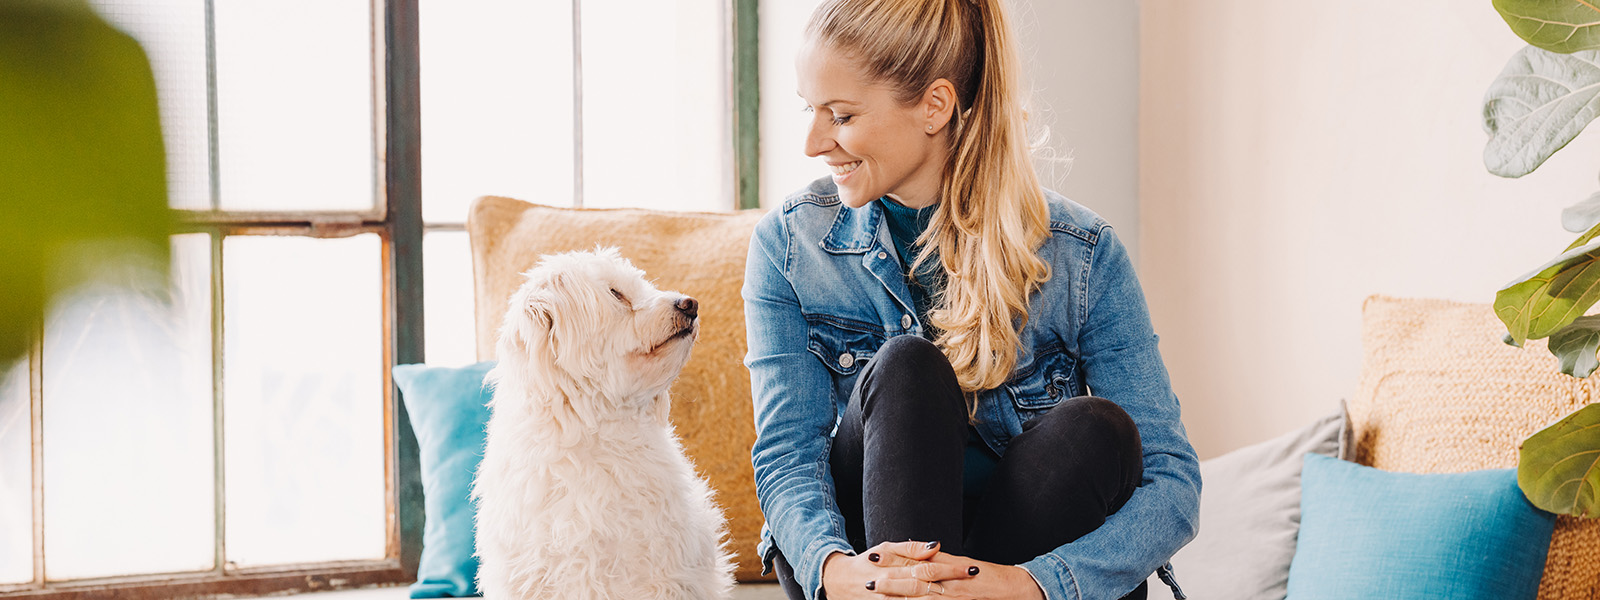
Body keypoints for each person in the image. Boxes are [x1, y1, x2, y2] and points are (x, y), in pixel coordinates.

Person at [741, 0, 1201, 598]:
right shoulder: (789, 245)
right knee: (907, 368)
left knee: (1099, 431)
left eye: (841, 115)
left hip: (1016, 562)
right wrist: (835, 569)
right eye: (811, 110)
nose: (813, 142)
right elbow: (786, 455)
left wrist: (1028, 585)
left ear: (934, 106)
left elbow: (1173, 483)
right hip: (870, 571)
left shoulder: (1082, 254)